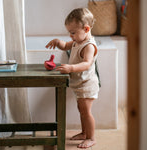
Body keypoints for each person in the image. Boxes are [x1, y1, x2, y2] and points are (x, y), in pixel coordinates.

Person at [46, 8, 100, 149]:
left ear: (86, 29)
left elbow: (87, 64)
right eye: (69, 32)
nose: (71, 36)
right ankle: (84, 133)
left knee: (86, 112)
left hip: (87, 85)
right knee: (81, 110)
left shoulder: (89, 46)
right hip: (80, 84)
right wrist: (58, 42)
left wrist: (71, 68)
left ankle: (91, 137)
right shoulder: (78, 41)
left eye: (73, 32)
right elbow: (65, 46)